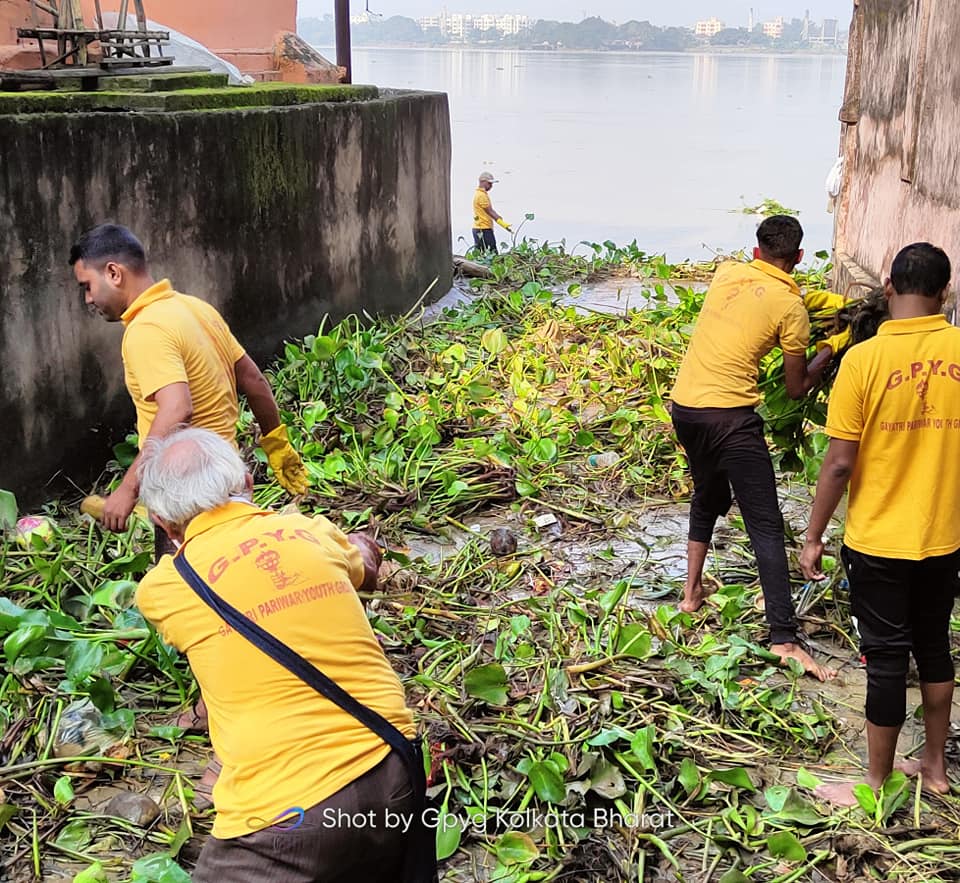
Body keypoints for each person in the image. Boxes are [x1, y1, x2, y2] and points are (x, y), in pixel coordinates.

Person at [137, 427, 418, 881]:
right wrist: (361, 545)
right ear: (248, 483)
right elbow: (365, 570)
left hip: (286, 815)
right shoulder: (313, 531)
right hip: (395, 767)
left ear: (165, 524)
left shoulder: (163, 589)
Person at [800, 243, 960, 805]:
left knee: (887, 657)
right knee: (934, 646)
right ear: (945, 292)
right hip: (945, 535)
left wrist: (814, 536)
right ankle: (935, 768)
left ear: (889, 287)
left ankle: (875, 781)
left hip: (879, 539)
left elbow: (839, 463)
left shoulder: (864, 360)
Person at [670, 215, 837, 681]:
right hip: (730, 418)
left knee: (707, 495)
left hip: (685, 408)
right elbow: (797, 387)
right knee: (765, 523)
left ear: (757, 249)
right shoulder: (791, 308)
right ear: (799, 257)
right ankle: (783, 639)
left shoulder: (727, 272)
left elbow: (754, 301)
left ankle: (690, 594)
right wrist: (828, 349)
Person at [69, 224, 308, 538]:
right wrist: (277, 444)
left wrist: (128, 489)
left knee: (187, 569)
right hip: (230, 481)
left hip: (184, 499)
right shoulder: (196, 309)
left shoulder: (146, 329)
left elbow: (177, 409)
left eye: (87, 286)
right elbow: (254, 381)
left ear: (114, 273)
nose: (88, 299)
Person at [472, 171, 511, 252]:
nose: (491, 186)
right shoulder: (481, 196)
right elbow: (490, 211)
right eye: (489, 183)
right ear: (482, 182)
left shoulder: (480, 194)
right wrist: (502, 223)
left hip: (479, 228)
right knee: (493, 252)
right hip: (483, 229)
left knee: (480, 253)